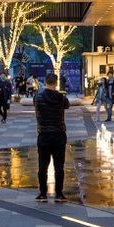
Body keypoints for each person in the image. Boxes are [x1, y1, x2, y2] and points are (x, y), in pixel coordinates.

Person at [34, 72, 69, 202]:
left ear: (45, 82)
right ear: (56, 83)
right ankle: (59, 193)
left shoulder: (38, 98)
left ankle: (43, 193)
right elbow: (67, 105)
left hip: (44, 135)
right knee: (59, 166)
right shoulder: (61, 98)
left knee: (42, 166)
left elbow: (36, 107)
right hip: (59, 135)